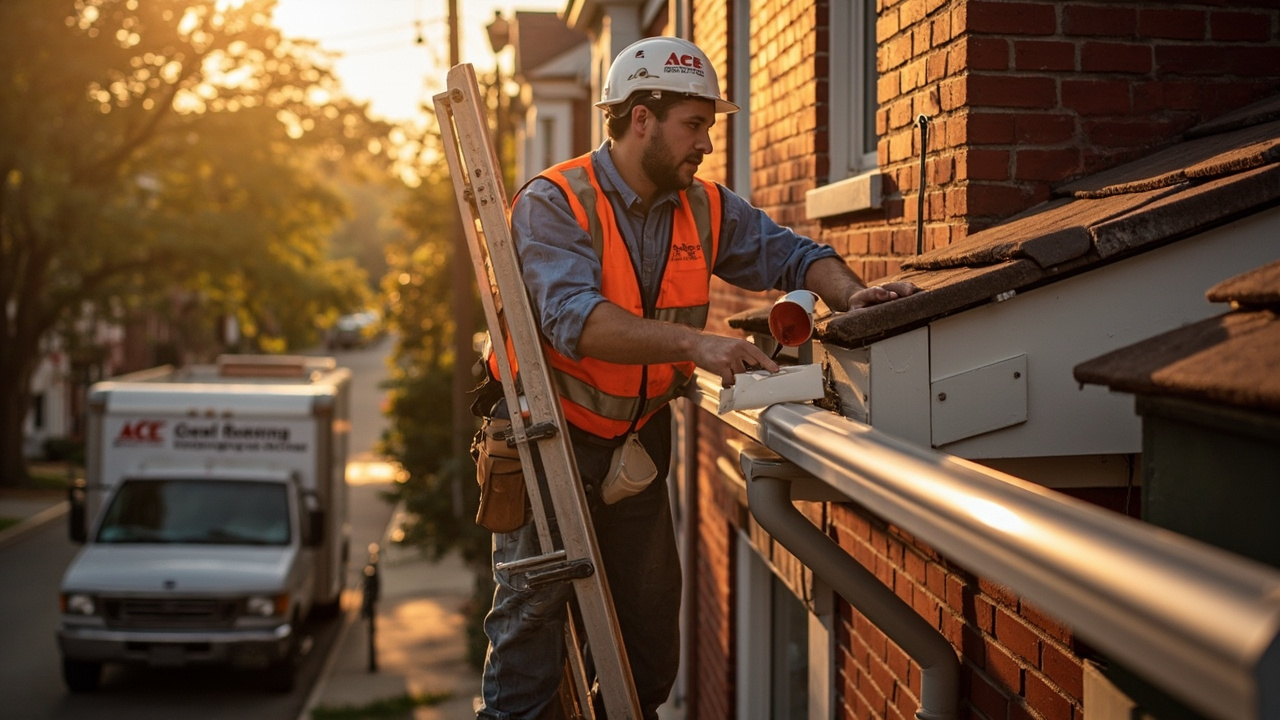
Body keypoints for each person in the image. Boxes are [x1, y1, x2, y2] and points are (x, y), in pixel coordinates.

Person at [475, 36, 918, 720]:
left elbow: (795, 252)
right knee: (532, 620)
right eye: (695, 124)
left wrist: (849, 295)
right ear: (641, 118)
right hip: (545, 439)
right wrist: (697, 346)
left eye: (710, 125)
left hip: (637, 443)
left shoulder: (706, 206)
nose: (706, 143)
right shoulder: (555, 201)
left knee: (649, 637)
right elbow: (575, 321)